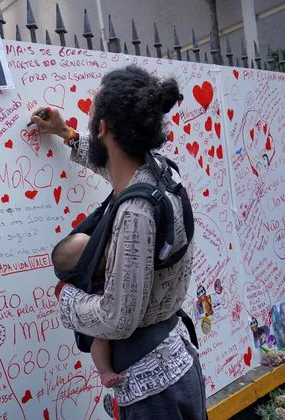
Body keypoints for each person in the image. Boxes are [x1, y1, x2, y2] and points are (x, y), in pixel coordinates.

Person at [31, 65, 206, 419]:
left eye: (92, 117)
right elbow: (118, 170)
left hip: (153, 390)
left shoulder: (136, 212)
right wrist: (66, 133)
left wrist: (68, 298)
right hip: (175, 364)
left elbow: (116, 320)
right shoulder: (160, 171)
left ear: (104, 129)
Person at [52, 232, 125, 388]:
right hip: (99, 321)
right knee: (100, 340)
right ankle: (105, 372)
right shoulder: (87, 286)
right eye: (92, 249)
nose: (99, 247)